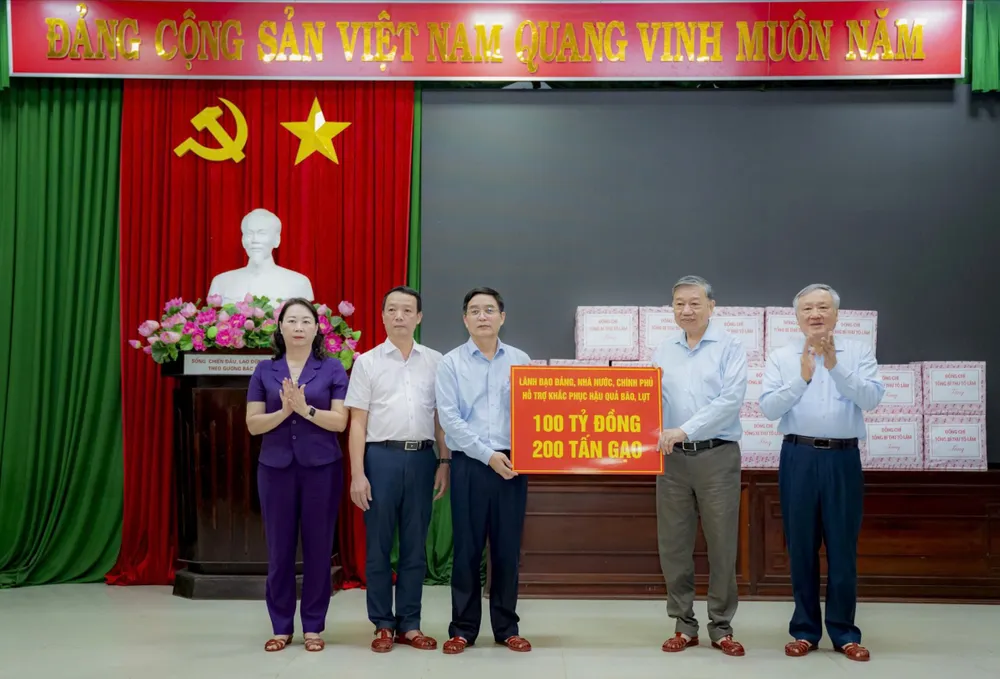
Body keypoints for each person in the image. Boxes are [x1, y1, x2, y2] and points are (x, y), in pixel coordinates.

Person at [759, 284, 884, 663]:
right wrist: (802, 377)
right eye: (808, 309)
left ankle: (844, 632)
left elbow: (872, 399)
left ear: (836, 314)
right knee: (801, 546)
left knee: (843, 547)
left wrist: (835, 367)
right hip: (798, 456)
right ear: (797, 317)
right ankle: (805, 630)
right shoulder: (782, 356)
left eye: (823, 307)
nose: (815, 314)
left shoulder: (858, 352)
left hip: (843, 460)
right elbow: (768, 408)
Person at [344, 286, 451, 653]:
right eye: (392, 309)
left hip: (422, 459)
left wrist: (444, 461)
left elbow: (440, 418)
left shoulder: (436, 361)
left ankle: (410, 623)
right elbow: (357, 423)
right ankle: (382, 624)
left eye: (407, 310)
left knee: (414, 547)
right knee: (377, 546)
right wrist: (358, 474)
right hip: (380, 459)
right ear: (383, 316)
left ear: (419, 317)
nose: (399, 316)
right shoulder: (367, 362)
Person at [246, 297, 349, 653]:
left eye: (306, 321)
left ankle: (314, 626)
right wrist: (284, 412)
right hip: (275, 470)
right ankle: (281, 626)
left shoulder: (332, 368)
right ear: (280, 327)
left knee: (319, 550)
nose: (299, 327)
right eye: (292, 320)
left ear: (317, 328)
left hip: (322, 469)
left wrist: (305, 410)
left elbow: (340, 421)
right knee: (279, 551)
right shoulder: (264, 370)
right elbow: (253, 424)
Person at [652, 275, 748, 657]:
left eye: (694, 303)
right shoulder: (663, 350)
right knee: (674, 545)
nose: (687, 310)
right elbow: (648, 402)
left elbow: (730, 401)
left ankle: (721, 627)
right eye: (679, 304)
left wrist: (684, 429)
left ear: (711, 306)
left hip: (717, 456)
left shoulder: (730, 346)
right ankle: (683, 625)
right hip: (672, 460)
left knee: (722, 545)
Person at [434, 287, 532, 655]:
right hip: (470, 465)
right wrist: (487, 455)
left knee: (507, 550)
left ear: (502, 317)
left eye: (489, 310)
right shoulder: (451, 363)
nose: (482, 316)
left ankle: (507, 628)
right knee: (467, 550)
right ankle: (463, 629)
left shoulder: (521, 360)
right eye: (474, 310)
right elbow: (450, 420)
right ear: (465, 319)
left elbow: (534, 413)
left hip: (513, 465)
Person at [209, 208, 314, 304]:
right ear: (243, 240)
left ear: (277, 240)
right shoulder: (221, 282)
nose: (255, 240)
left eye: (262, 233)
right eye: (249, 234)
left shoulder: (299, 283)